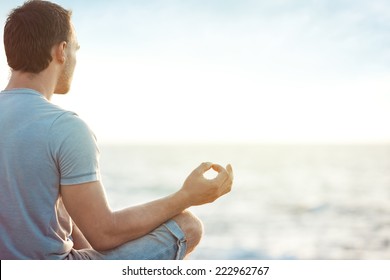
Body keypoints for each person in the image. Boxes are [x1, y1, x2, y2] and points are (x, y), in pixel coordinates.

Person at [0, 0, 233, 260]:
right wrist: (186, 196)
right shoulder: (64, 127)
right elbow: (104, 234)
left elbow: (74, 227)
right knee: (188, 226)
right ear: (62, 51)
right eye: (76, 49)